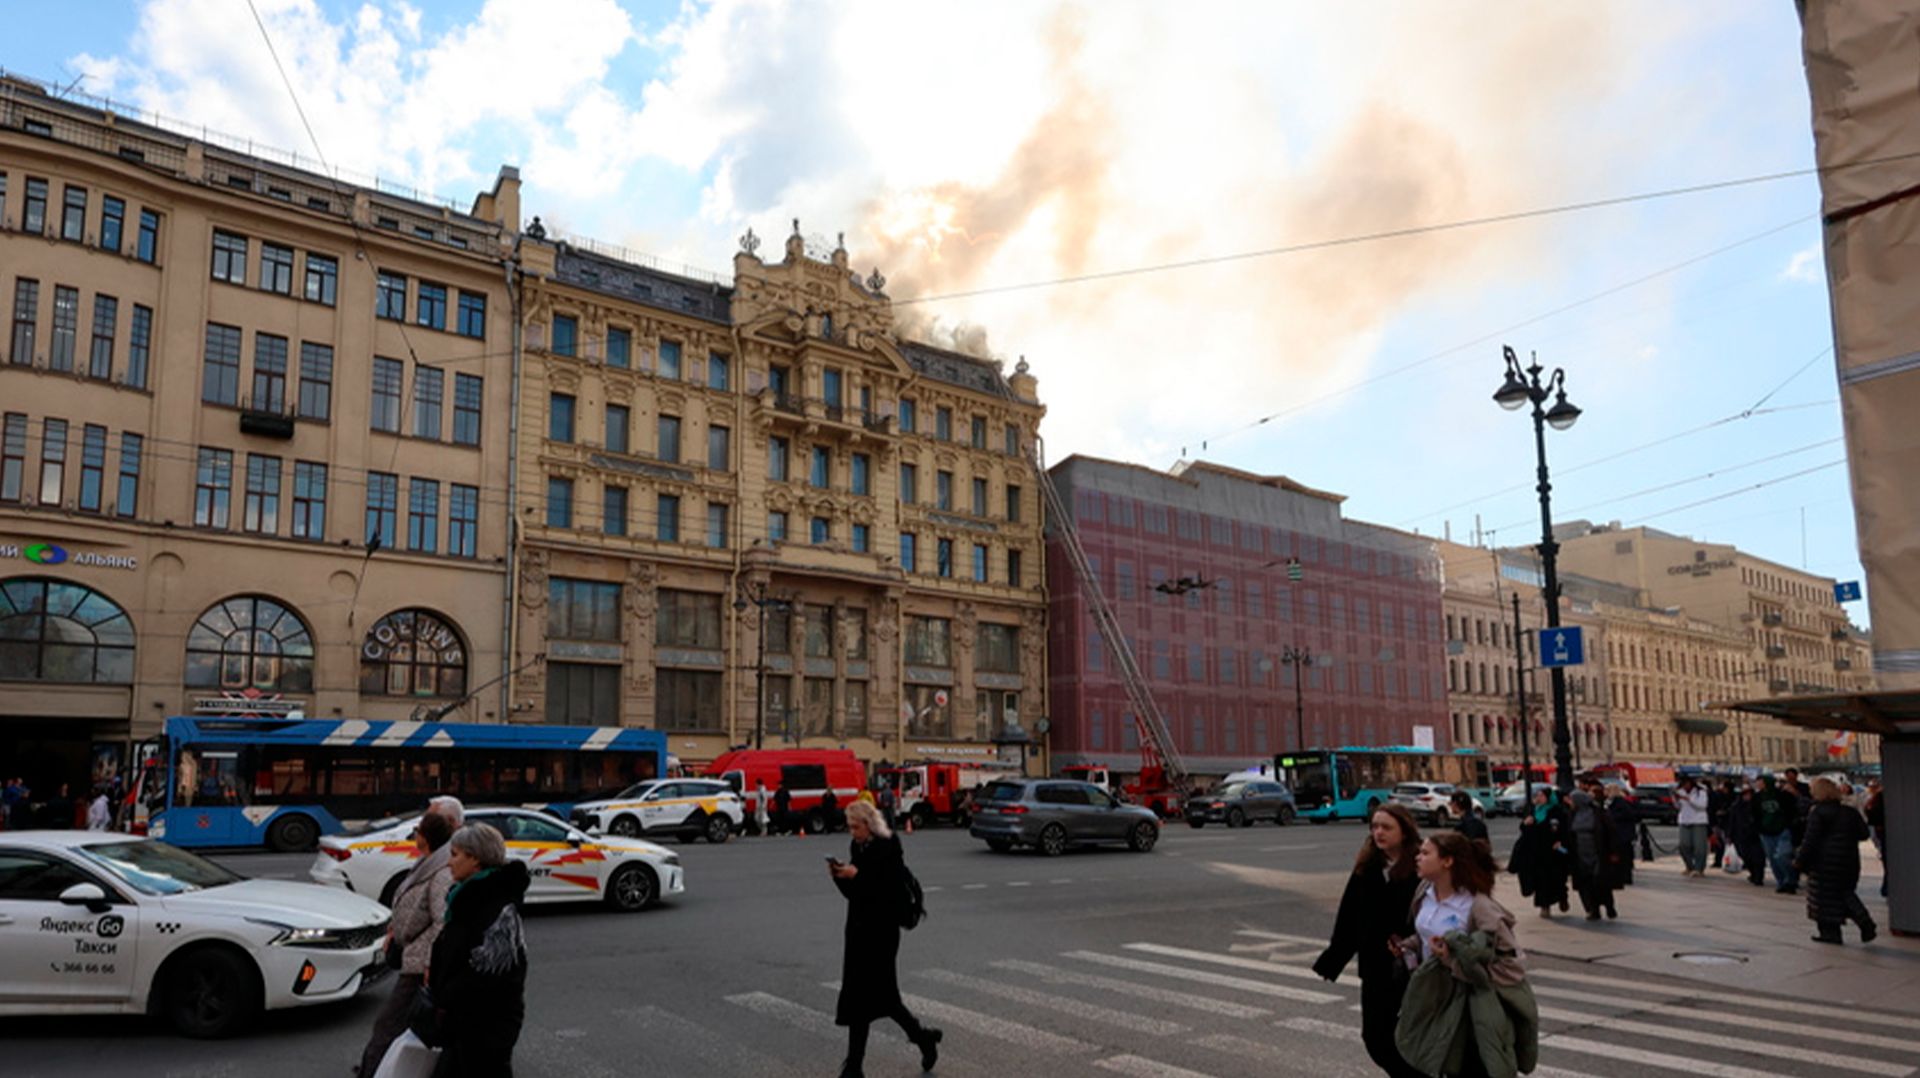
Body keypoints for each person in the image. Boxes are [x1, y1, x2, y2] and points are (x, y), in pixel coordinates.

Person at [1393, 832, 1538, 1078]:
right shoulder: (1424, 892)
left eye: (1426, 853)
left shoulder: (1478, 906)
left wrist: (1451, 961)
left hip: (1468, 1004)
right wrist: (1410, 945)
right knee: (1437, 1061)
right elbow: (1427, 933)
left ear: (1447, 861)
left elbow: (1508, 964)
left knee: (1469, 1067)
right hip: (1435, 995)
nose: (1418, 858)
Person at [828, 799, 941, 1078]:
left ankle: (858, 1065)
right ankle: (859, 1065)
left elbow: (886, 894)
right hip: (857, 931)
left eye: (856, 827)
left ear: (869, 824)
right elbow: (856, 894)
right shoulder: (858, 846)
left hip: (881, 932)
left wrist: (859, 875)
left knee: (878, 998)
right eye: (850, 827)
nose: (852, 832)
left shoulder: (888, 846)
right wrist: (841, 877)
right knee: (865, 998)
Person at [1313, 804, 1425, 1078]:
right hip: (1376, 964)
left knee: (1414, 1035)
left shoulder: (1421, 864)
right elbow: (1350, 915)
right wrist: (1334, 958)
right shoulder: (1368, 866)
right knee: (1375, 1038)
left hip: (1414, 966)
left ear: (1404, 830)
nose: (1378, 832)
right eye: (1374, 826)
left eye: (1386, 827)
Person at [357, 801, 459, 1077]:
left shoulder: (441, 871)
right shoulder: (428, 862)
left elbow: (442, 921)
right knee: (403, 1024)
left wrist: (429, 962)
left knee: (390, 1023)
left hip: (419, 964)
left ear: (425, 837)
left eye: (417, 830)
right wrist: (395, 928)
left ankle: (373, 1070)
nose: (414, 834)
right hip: (413, 956)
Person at [428, 823, 530, 1078]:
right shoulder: (465, 898)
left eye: (455, 855)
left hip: (485, 1025)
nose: (449, 863)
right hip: (463, 1021)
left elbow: (493, 973)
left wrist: (447, 996)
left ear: (475, 859)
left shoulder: (497, 905)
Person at [1794, 777, 1878, 945]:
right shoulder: (1849, 812)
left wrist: (1800, 860)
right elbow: (1864, 834)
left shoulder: (1817, 812)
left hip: (1824, 861)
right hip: (1848, 860)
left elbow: (1810, 840)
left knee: (1823, 897)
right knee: (1845, 892)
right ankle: (1863, 921)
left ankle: (1831, 932)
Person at [1508, 787, 1570, 919]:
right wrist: (1525, 824)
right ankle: (1544, 906)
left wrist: (1561, 843)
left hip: (1553, 852)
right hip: (1536, 852)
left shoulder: (1557, 812)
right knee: (1540, 881)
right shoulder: (1533, 811)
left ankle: (1562, 897)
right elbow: (1524, 829)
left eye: (1542, 795)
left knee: (1556, 879)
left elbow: (1564, 830)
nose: (1539, 798)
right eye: (1537, 796)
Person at [1566, 788, 1618, 921]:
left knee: (1600, 882)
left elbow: (1611, 832)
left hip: (1598, 852)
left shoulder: (1598, 813)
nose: (1570, 802)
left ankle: (1609, 906)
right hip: (1580, 853)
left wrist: (1613, 851)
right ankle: (1592, 909)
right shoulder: (1572, 814)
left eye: (1572, 800)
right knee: (1585, 883)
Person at [1754, 775, 1800, 894]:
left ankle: (1791, 880)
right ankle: (1781, 882)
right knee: (1772, 859)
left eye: (1760, 781)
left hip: (1782, 830)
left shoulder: (1782, 795)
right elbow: (1754, 813)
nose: (1758, 784)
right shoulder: (1757, 798)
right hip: (1766, 832)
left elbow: (1793, 809)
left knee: (1783, 855)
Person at [1727, 783, 1766, 885]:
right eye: (1745, 794)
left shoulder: (1758, 806)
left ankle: (1758, 877)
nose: (1747, 797)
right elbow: (1732, 821)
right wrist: (1730, 835)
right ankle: (1753, 873)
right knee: (1745, 855)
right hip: (1740, 836)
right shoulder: (1736, 807)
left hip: (1755, 835)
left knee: (1758, 857)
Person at [1675, 775, 1710, 878]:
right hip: (1684, 820)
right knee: (1683, 845)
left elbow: (1702, 806)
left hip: (1698, 821)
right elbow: (1678, 806)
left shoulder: (1701, 791)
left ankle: (1699, 868)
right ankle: (1689, 866)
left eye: (1687, 784)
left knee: (1699, 847)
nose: (1685, 786)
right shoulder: (1680, 791)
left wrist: (1688, 799)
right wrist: (1676, 798)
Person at [1601, 784, 1636, 885]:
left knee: (1624, 857)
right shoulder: (1613, 802)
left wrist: (1611, 817)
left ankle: (1625, 877)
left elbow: (1627, 815)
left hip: (1622, 834)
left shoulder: (1620, 802)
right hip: (1621, 834)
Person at [1865, 779, 1887, 898]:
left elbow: (1870, 813)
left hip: (1881, 831)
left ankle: (1886, 887)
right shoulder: (1877, 797)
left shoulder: (1876, 798)